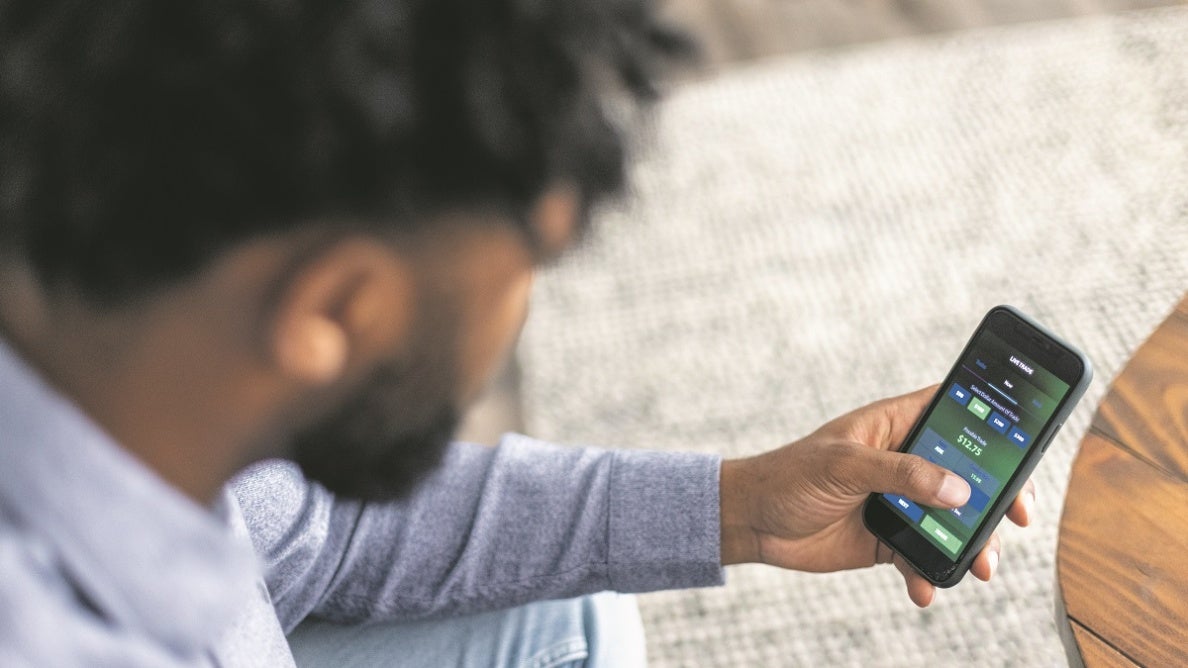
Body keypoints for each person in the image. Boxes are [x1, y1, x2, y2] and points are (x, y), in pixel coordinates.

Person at [0, 1, 1035, 666]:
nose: (517, 316)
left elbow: (319, 528)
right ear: (331, 307)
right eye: (523, 268)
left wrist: (744, 506)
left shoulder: (128, 357)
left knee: (577, 626)